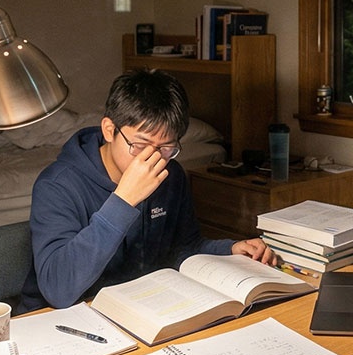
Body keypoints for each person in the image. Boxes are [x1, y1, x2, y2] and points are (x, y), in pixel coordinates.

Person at [18, 68, 275, 311]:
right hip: (64, 318)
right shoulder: (57, 185)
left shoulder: (170, 175)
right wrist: (124, 200)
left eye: (166, 148)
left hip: (142, 307)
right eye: (140, 144)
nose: (152, 158)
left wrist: (229, 250)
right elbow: (58, 289)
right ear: (109, 130)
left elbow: (183, 247)